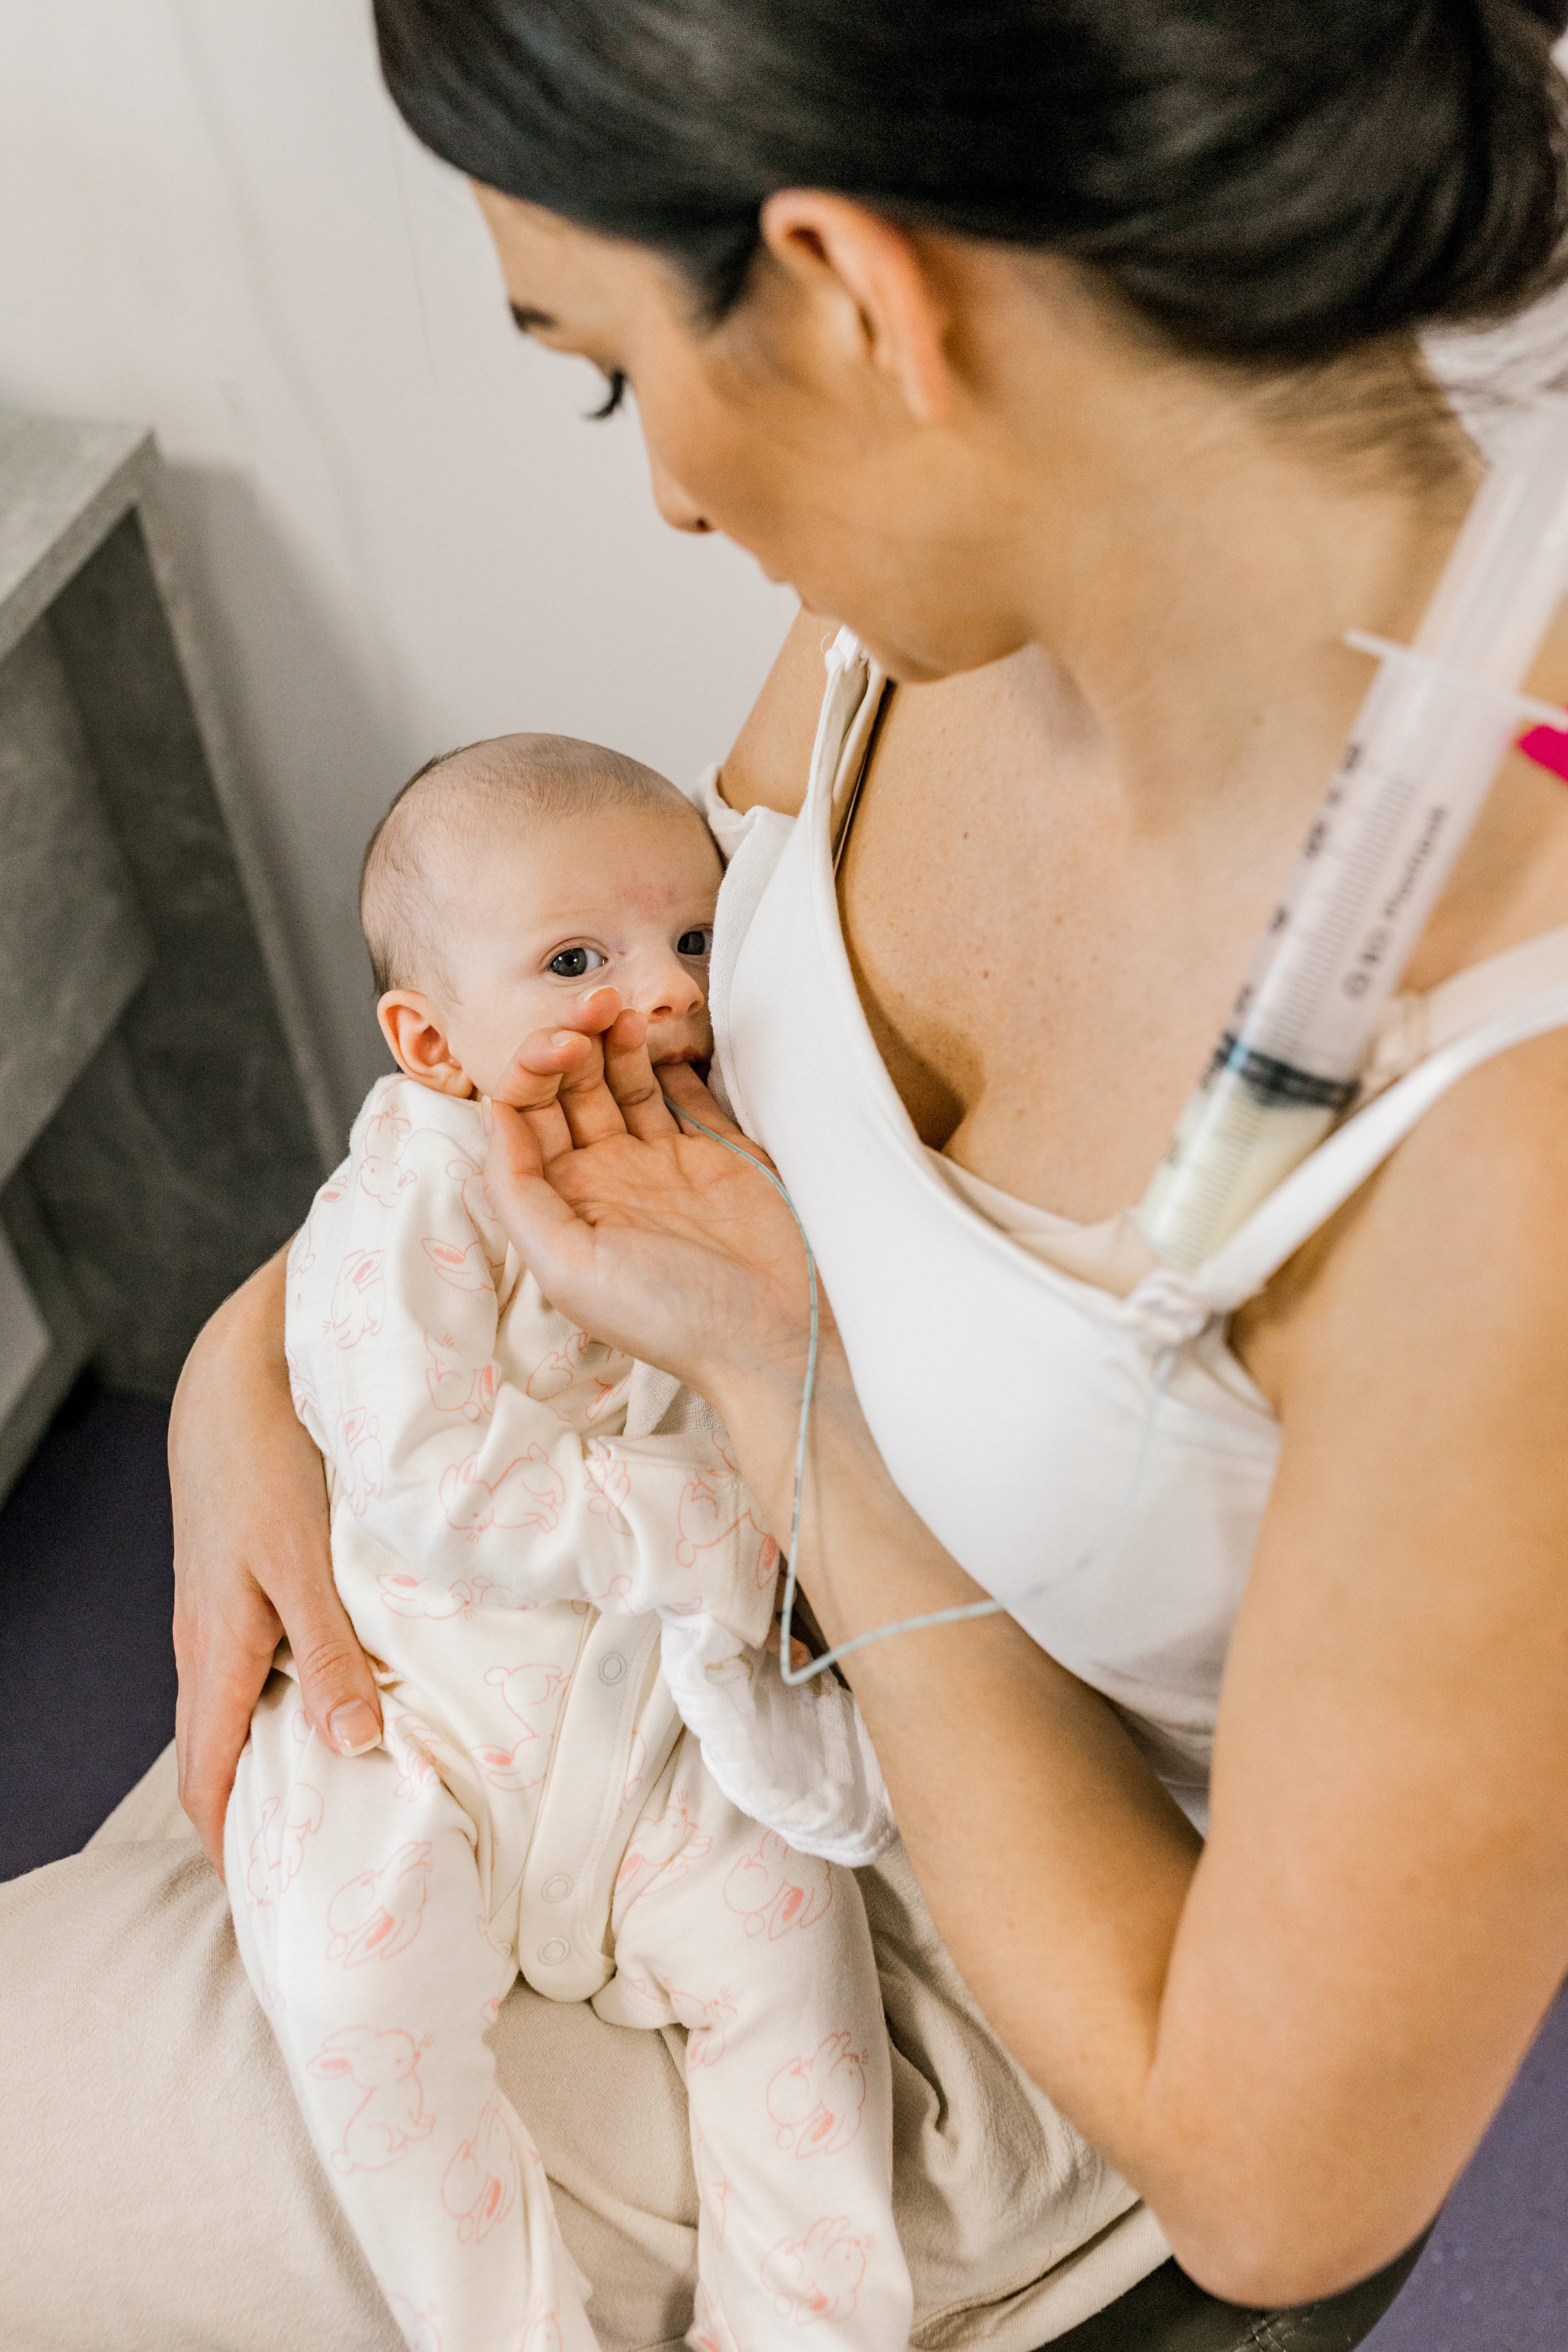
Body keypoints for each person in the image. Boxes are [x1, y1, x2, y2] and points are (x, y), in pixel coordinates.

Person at [5, 5, 1568, 2348]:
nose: (660, 504)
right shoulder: (930, 597)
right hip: (579, 1614)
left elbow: (1269, 2182)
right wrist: (263, 1349)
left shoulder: (1492, 1130)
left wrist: (782, 1387)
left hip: (949, 1934)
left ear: (855, 289)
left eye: (603, 373)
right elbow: (650, 1032)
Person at [237, 732, 906, 2352]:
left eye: (689, 941)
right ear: (433, 1040)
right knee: (347, 1985)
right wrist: (720, 1524)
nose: (663, 995)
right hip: (440, 1720)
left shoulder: (736, 1152)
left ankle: (812, 2328)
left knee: (801, 1990)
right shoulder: (404, 1207)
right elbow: (426, 1474)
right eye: (575, 962)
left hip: (674, 1726)